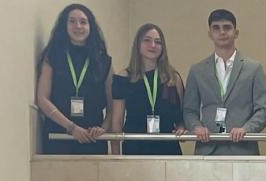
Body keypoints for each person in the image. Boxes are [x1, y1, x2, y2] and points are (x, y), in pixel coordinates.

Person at [184, 9, 266, 155]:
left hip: (242, 147)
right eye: (216, 28)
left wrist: (246, 129)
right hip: (207, 147)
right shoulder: (197, 70)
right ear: (210, 34)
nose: (222, 32)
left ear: (236, 33)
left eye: (227, 27)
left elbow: (264, 110)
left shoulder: (254, 68)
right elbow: (189, 110)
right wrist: (196, 127)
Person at [36, 3, 113, 155]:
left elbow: (113, 107)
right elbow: (42, 99)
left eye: (83, 22)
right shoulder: (52, 55)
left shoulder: (104, 61)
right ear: (64, 25)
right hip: (58, 136)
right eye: (72, 21)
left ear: (91, 27)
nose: (78, 26)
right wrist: (71, 128)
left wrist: (102, 128)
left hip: (92, 139)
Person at [110, 23, 185, 156]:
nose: (153, 45)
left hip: (168, 149)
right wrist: (116, 158)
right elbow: (116, 122)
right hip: (135, 149)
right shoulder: (123, 78)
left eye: (158, 42)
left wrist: (181, 127)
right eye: (147, 40)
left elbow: (181, 115)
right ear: (138, 44)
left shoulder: (173, 78)